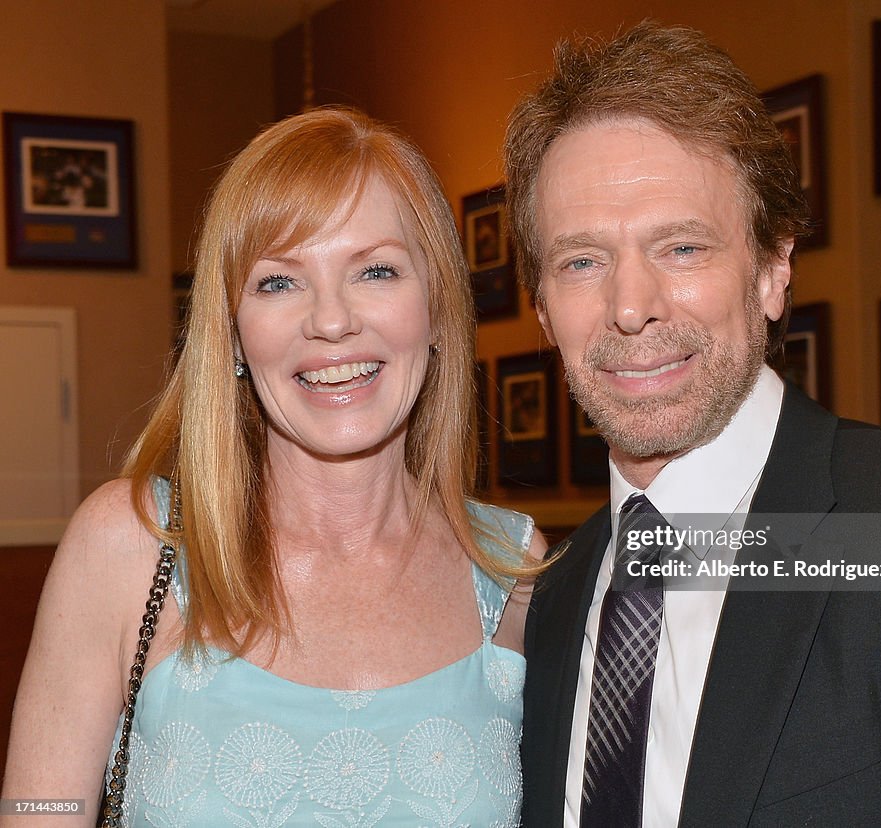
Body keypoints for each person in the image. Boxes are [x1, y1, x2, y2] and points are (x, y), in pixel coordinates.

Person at [504, 21, 881, 826]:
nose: (631, 306)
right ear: (541, 307)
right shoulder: (550, 594)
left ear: (775, 268)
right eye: (582, 261)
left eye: (681, 248)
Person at [3, 106, 545, 827]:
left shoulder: (512, 572)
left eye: (376, 270)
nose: (330, 320)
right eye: (278, 282)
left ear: (438, 306)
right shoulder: (132, 544)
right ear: (230, 331)